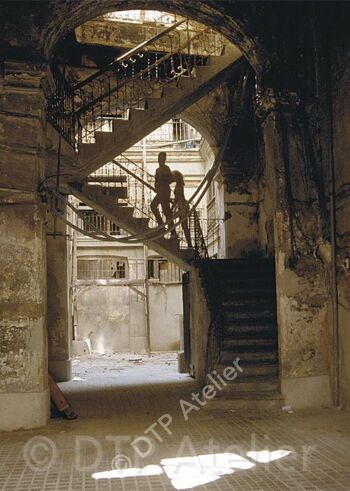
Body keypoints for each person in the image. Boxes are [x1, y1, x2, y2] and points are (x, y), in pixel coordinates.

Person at [151, 152, 177, 238]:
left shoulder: (166, 168)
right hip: (160, 191)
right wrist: (156, 187)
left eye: (161, 158)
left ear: (164, 159)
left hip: (165, 191)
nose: (159, 159)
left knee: (166, 211)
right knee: (157, 207)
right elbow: (156, 181)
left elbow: (170, 179)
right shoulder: (157, 170)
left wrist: (162, 182)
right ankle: (162, 225)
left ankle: (172, 232)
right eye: (159, 158)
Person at [172, 170, 193, 248]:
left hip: (182, 206)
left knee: (184, 226)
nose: (172, 178)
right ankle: (189, 244)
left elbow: (177, 198)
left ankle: (189, 244)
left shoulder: (179, 185)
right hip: (182, 205)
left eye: (173, 176)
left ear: (176, 177)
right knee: (184, 226)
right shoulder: (179, 184)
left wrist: (172, 207)